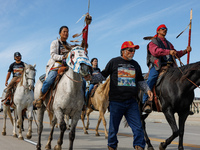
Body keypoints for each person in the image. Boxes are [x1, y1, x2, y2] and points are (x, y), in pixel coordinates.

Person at [86, 41, 153, 150]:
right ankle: (112, 146)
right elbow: (103, 75)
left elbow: (140, 81)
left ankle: (139, 146)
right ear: (123, 51)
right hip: (116, 102)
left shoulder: (135, 65)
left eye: (134, 50)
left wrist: (147, 90)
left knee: (138, 128)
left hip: (132, 102)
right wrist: (91, 78)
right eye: (130, 50)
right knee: (113, 129)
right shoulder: (114, 62)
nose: (133, 52)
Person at [142, 24, 192, 113]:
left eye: (166, 29)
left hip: (170, 67)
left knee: (183, 78)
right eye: (162, 29)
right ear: (158, 31)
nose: (165, 30)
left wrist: (185, 51)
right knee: (151, 79)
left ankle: (184, 105)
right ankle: (146, 101)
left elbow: (176, 53)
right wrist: (168, 51)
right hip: (157, 66)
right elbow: (155, 52)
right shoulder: (153, 42)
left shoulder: (169, 44)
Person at [34, 26, 71, 108]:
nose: (66, 33)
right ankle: (41, 97)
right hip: (56, 65)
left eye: (67, 32)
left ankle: (81, 102)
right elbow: (53, 55)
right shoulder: (55, 43)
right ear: (60, 33)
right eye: (64, 31)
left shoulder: (69, 45)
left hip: (67, 67)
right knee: (49, 80)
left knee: (80, 79)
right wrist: (63, 57)